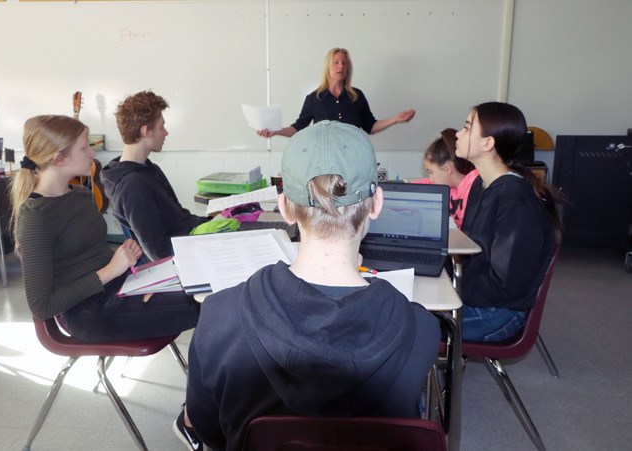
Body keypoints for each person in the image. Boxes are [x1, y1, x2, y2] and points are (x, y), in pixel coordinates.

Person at [181, 121, 440, 451]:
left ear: (285, 207)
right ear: (377, 204)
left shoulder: (218, 317)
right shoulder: (422, 330)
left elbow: (209, 431)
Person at [9, 114, 200, 343]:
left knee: (209, 289)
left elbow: (93, 256)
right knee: (214, 303)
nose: (92, 153)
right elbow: (42, 306)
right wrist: (112, 270)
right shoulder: (36, 217)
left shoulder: (80, 195)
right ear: (59, 159)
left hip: (122, 287)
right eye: (84, 148)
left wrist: (134, 270)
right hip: (91, 312)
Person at [454, 102, 562, 342]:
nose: (458, 135)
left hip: (498, 312)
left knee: (408, 325)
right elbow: (474, 252)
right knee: (406, 310)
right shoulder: (481, 185)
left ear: (488, 143)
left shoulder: (513, 196)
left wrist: (455, 290)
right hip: (478, 298)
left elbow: (507, 283)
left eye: (467, 127)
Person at [101, 90, 211, 261]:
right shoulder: (132, 186)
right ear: (147, 131)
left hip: (190, 239)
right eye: (162, 127)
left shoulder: (149, 168)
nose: (165, 133)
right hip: (185, 256)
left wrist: (213, 221)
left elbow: (179, 219)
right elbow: (159, 253)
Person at [257, 48, 416, 138]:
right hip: (324, 160)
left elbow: (371, 126)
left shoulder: (357, 96)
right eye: (336, 62)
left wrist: (396, 119)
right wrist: (276, 131)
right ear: (328, 67)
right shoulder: (314, 98)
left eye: (344, 63)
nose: (341, 66)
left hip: (353, 158)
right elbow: (298, 128)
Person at [410, 128, 479, 228]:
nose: (431, 178)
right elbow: (425, 184)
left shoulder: (472, 186)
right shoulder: (449, 185)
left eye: (431, 172)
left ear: (447, 169)